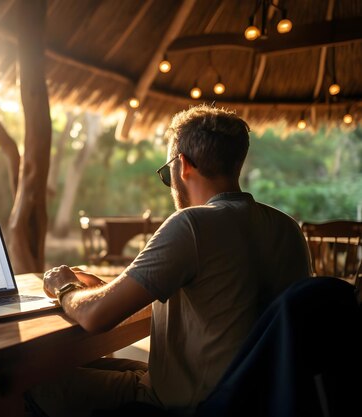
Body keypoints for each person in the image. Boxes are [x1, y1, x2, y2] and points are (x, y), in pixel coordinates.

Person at [29, 104, 311, 417]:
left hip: (187, 405)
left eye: (167, 173)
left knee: (28, 385)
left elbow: (96, 317)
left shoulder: (193, 224)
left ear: (184, 166)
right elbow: (222, 303)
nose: (170, 182)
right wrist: (111, 290)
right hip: (257, 399)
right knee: (84, 365)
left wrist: (64, 286)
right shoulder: (288, 229)